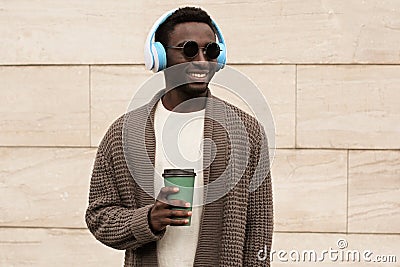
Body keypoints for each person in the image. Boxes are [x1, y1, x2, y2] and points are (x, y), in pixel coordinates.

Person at [85, 6, 273, 267]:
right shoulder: (123, 135)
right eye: (188, 49)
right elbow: (99, 216)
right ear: (160, 57)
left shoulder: (247, 132)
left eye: (211, 51)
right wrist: (147, 220)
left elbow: (259, 228)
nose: (201, 60)